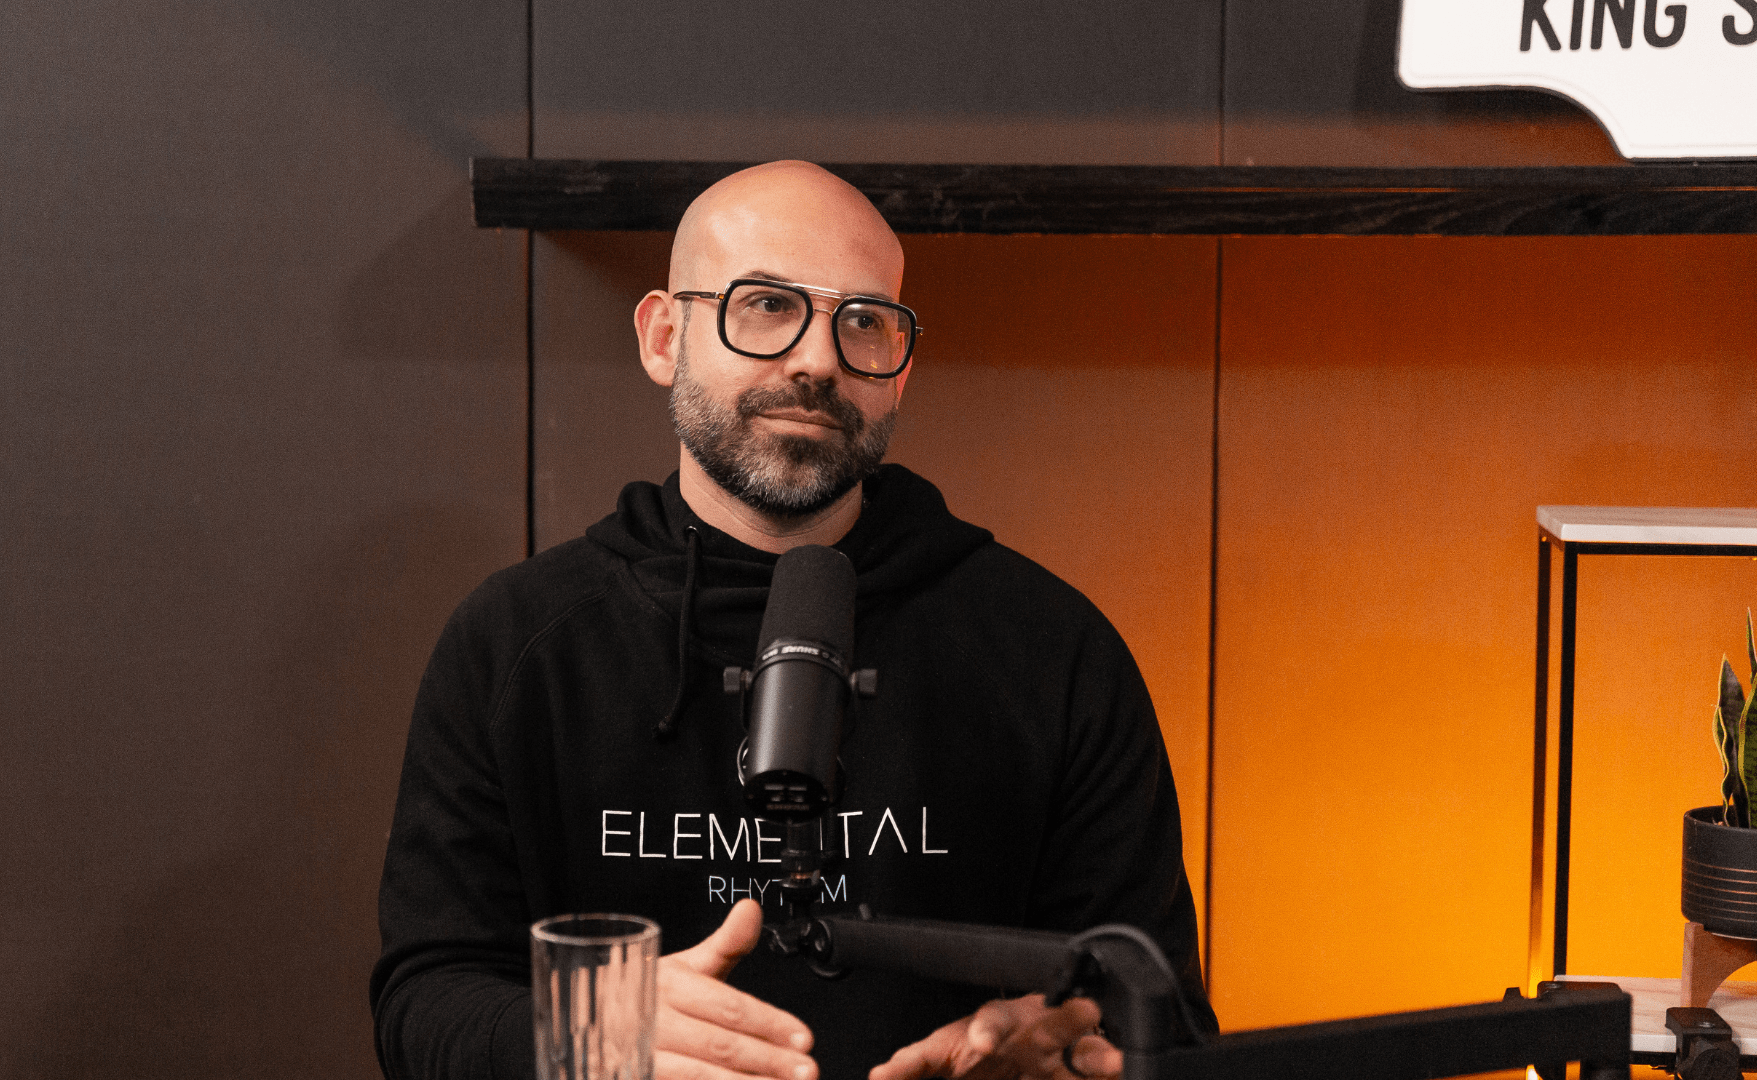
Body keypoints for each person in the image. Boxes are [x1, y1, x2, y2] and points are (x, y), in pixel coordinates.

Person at [370, 160, 1215, 1080]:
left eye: (863, 322)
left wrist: (1068, 1045)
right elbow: (426, 1002)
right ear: (664, 336)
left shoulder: (1052, 651)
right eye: (766, 304)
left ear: (899, 374)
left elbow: (1163, 1006)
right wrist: (590, 1033)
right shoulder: (515, 645)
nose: (818, 360)